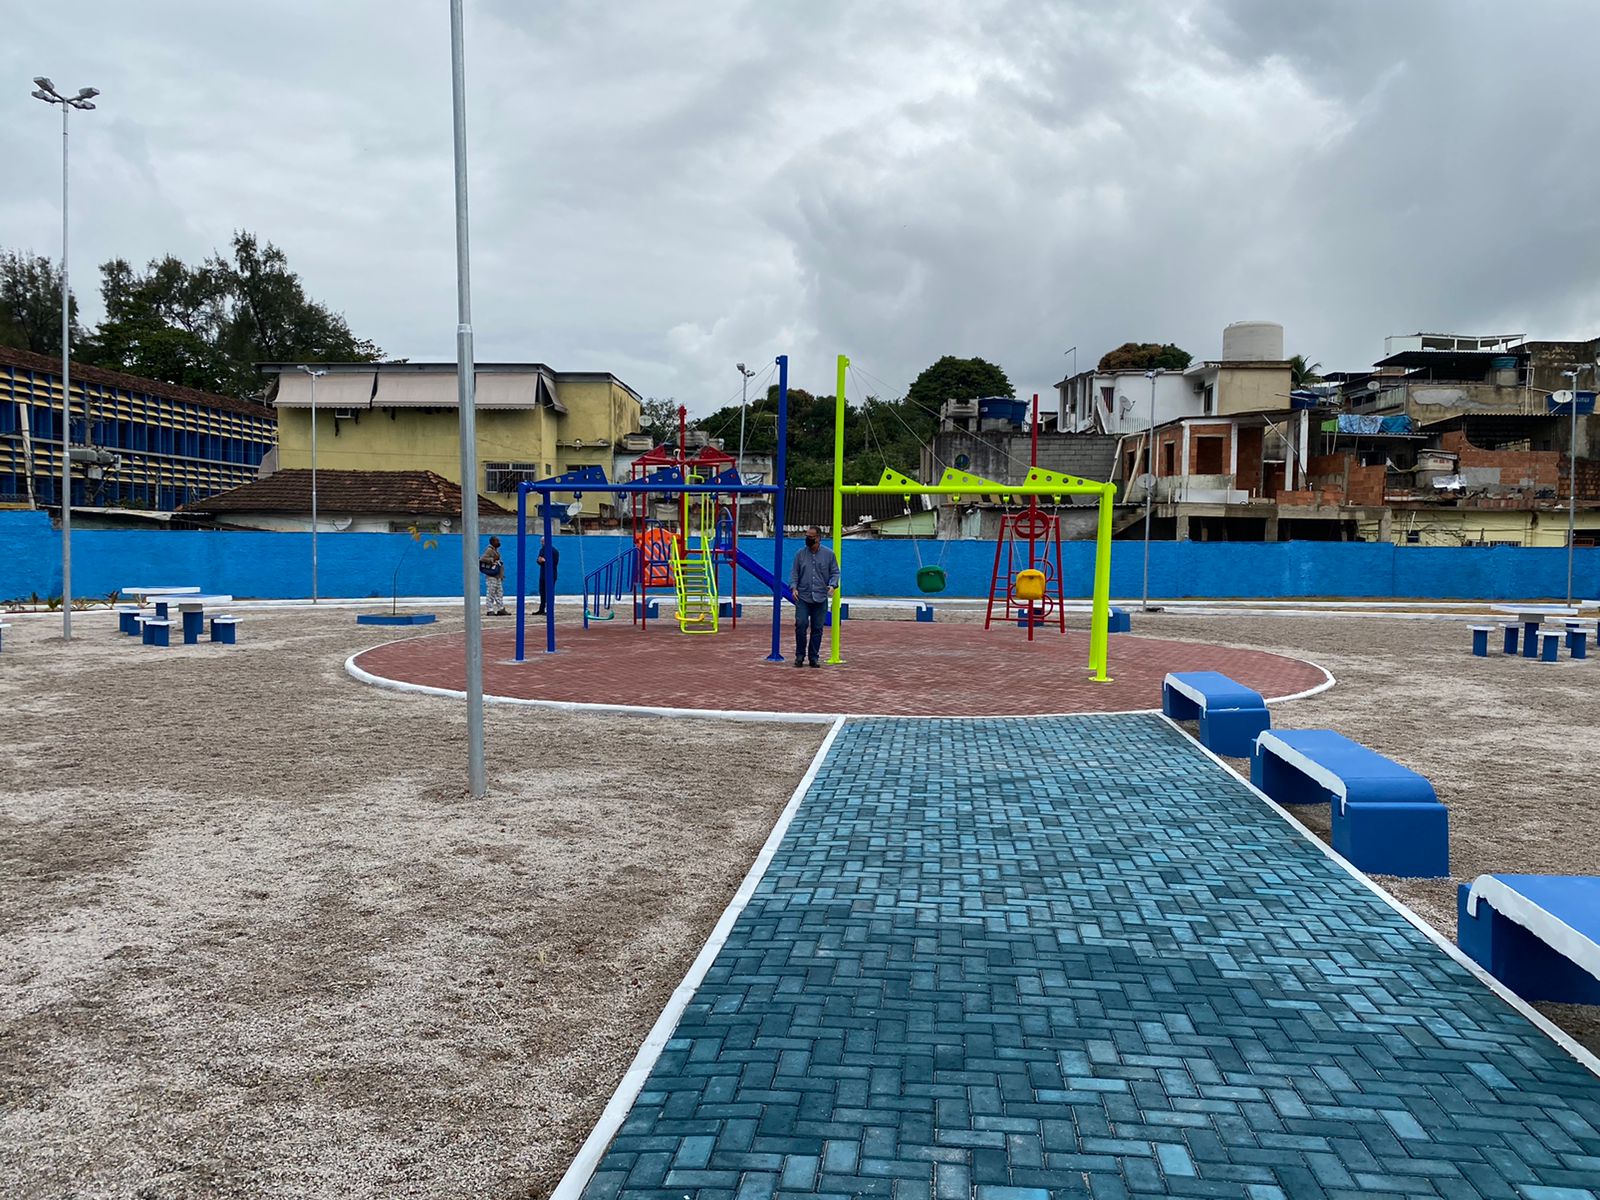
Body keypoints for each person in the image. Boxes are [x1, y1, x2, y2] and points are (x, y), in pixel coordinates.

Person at [790, 524, 839, 668]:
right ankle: (799, 656)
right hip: (803, 597)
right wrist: (794, 588)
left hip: (820, 597)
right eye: (806, 536)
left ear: (818, 538)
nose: (807, 539)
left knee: (817, 628)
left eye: (810, 537)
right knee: (801, 624)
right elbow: (794, 573)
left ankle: (814, 657)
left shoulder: (829, 554)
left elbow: (835, 572)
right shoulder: (800, 554)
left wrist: (833, 585)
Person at [479, 536, 507, 615]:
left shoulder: (495, 550)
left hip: (498, 575)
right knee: (491, 592)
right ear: (492, 542)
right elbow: (482, 559)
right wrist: (492, 560)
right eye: (497, 541)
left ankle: (501, 609)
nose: (498, 542)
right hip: (492, 575)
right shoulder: (489, 550)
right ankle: (490, 610)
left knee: (499, 592)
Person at [535, 536, 559, 615]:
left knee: (549, 592)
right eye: (541, 542)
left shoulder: (554, 551)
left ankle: (549, 610)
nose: (541, 543)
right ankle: (541, 609)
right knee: (542, 592)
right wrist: (539, 560)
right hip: (543, 574)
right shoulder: (542, 550)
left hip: (551, 575)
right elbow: (538, 560)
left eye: (543, 542)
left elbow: (554, 563)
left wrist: (545, 561)